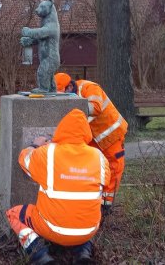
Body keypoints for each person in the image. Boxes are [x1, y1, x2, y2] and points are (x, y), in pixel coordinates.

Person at [5, 108, 111, 264]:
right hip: (88, 230)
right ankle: (83, 254)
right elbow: (106, 182)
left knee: (13, 214)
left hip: (52, 229)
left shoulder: (47, 153)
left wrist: (35, 145)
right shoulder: (99, 157)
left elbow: (24, 159)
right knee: (82, 215)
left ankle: (40, 256)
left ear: (61, 129)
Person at [54, 73, 128, 215]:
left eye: (63, 94)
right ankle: (93, 201)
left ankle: (106, 206)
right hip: (93, 137)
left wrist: (72, 106)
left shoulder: (89, 88)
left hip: (112, 136)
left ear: (70, 86)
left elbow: (95, 107)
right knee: (92, 168)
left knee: (113, 168)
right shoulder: (71, 93)